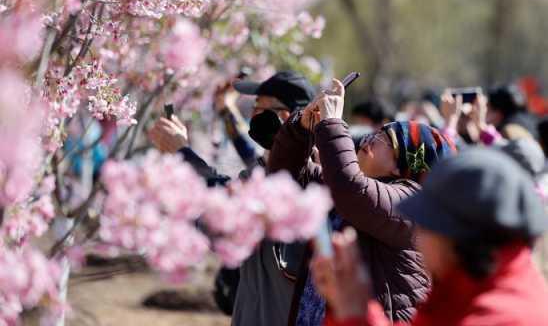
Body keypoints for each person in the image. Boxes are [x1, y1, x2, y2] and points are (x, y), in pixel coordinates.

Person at [268, 79, 456, 324]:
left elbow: (351, 190)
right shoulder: (342, 184)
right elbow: (285, 179)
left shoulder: (413, 205)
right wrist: (301, 127)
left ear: (405, 166)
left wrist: (332, 122)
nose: (370, 139)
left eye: (385, 139)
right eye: (377, 132)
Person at [148, 71, 317, 325]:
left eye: (258, 107)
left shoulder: (300, 182)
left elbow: (228, 204)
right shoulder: (263, 170)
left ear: (284, 116)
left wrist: (182, 152)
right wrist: (225, 111)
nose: (252, 115)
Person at [312, 148, 548, 326]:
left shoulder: (500, 317)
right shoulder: (468, 282)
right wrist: (356, 308)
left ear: (456, 237)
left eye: (425, 223)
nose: (419, 236)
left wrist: (354, 314)